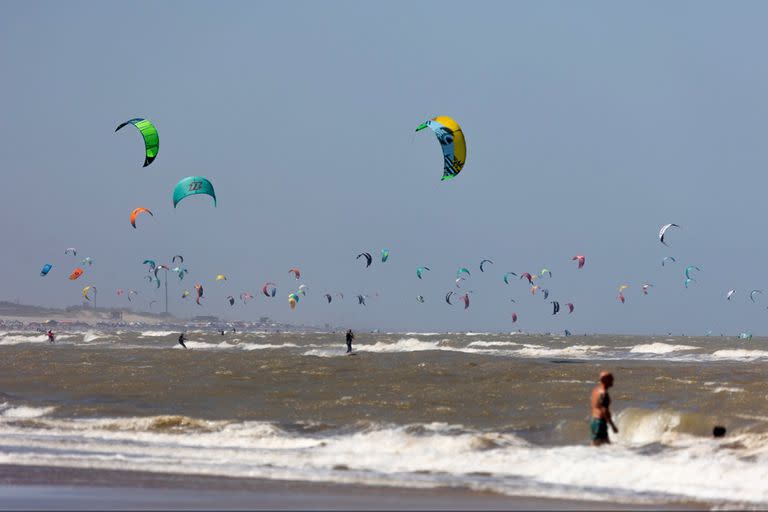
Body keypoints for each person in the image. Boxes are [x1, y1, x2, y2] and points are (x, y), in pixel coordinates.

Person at [590, 371, 618, 446]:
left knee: (603, 445)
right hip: (600, 423)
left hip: (594, 421)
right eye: (611, 379)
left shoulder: (595, 391)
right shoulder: (603, 394)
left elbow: (594, 405)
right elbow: (604, 411)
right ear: (605, 380)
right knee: (598, 445)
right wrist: (612, 426)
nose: (613, 381)